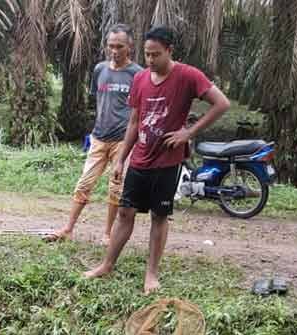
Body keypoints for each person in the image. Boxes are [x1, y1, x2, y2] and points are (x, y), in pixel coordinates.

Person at [84, 26, 230, 293]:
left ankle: (151, 274)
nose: (150, 61)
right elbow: (134, 123)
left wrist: (188, 133)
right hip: (140, 158)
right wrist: (120, 160)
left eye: (156, 55)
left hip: (167, 162)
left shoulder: (188, 76)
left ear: (169, 51)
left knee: (159, 216)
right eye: (147, 54)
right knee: (125, 212)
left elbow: (222, 103)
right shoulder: (140, 79)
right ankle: (106, 265)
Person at [45, 24, 143, 245]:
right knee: (84, 184)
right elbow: (97, 101)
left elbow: (140, 111)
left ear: (130, 47)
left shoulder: (138, 74)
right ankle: (68, 229)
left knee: (115, 189)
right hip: (99, 137)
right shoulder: (100, 69)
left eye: (119, 46)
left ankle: (107, 235)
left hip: (122, 142)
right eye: (111, 46)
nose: (114, 51)